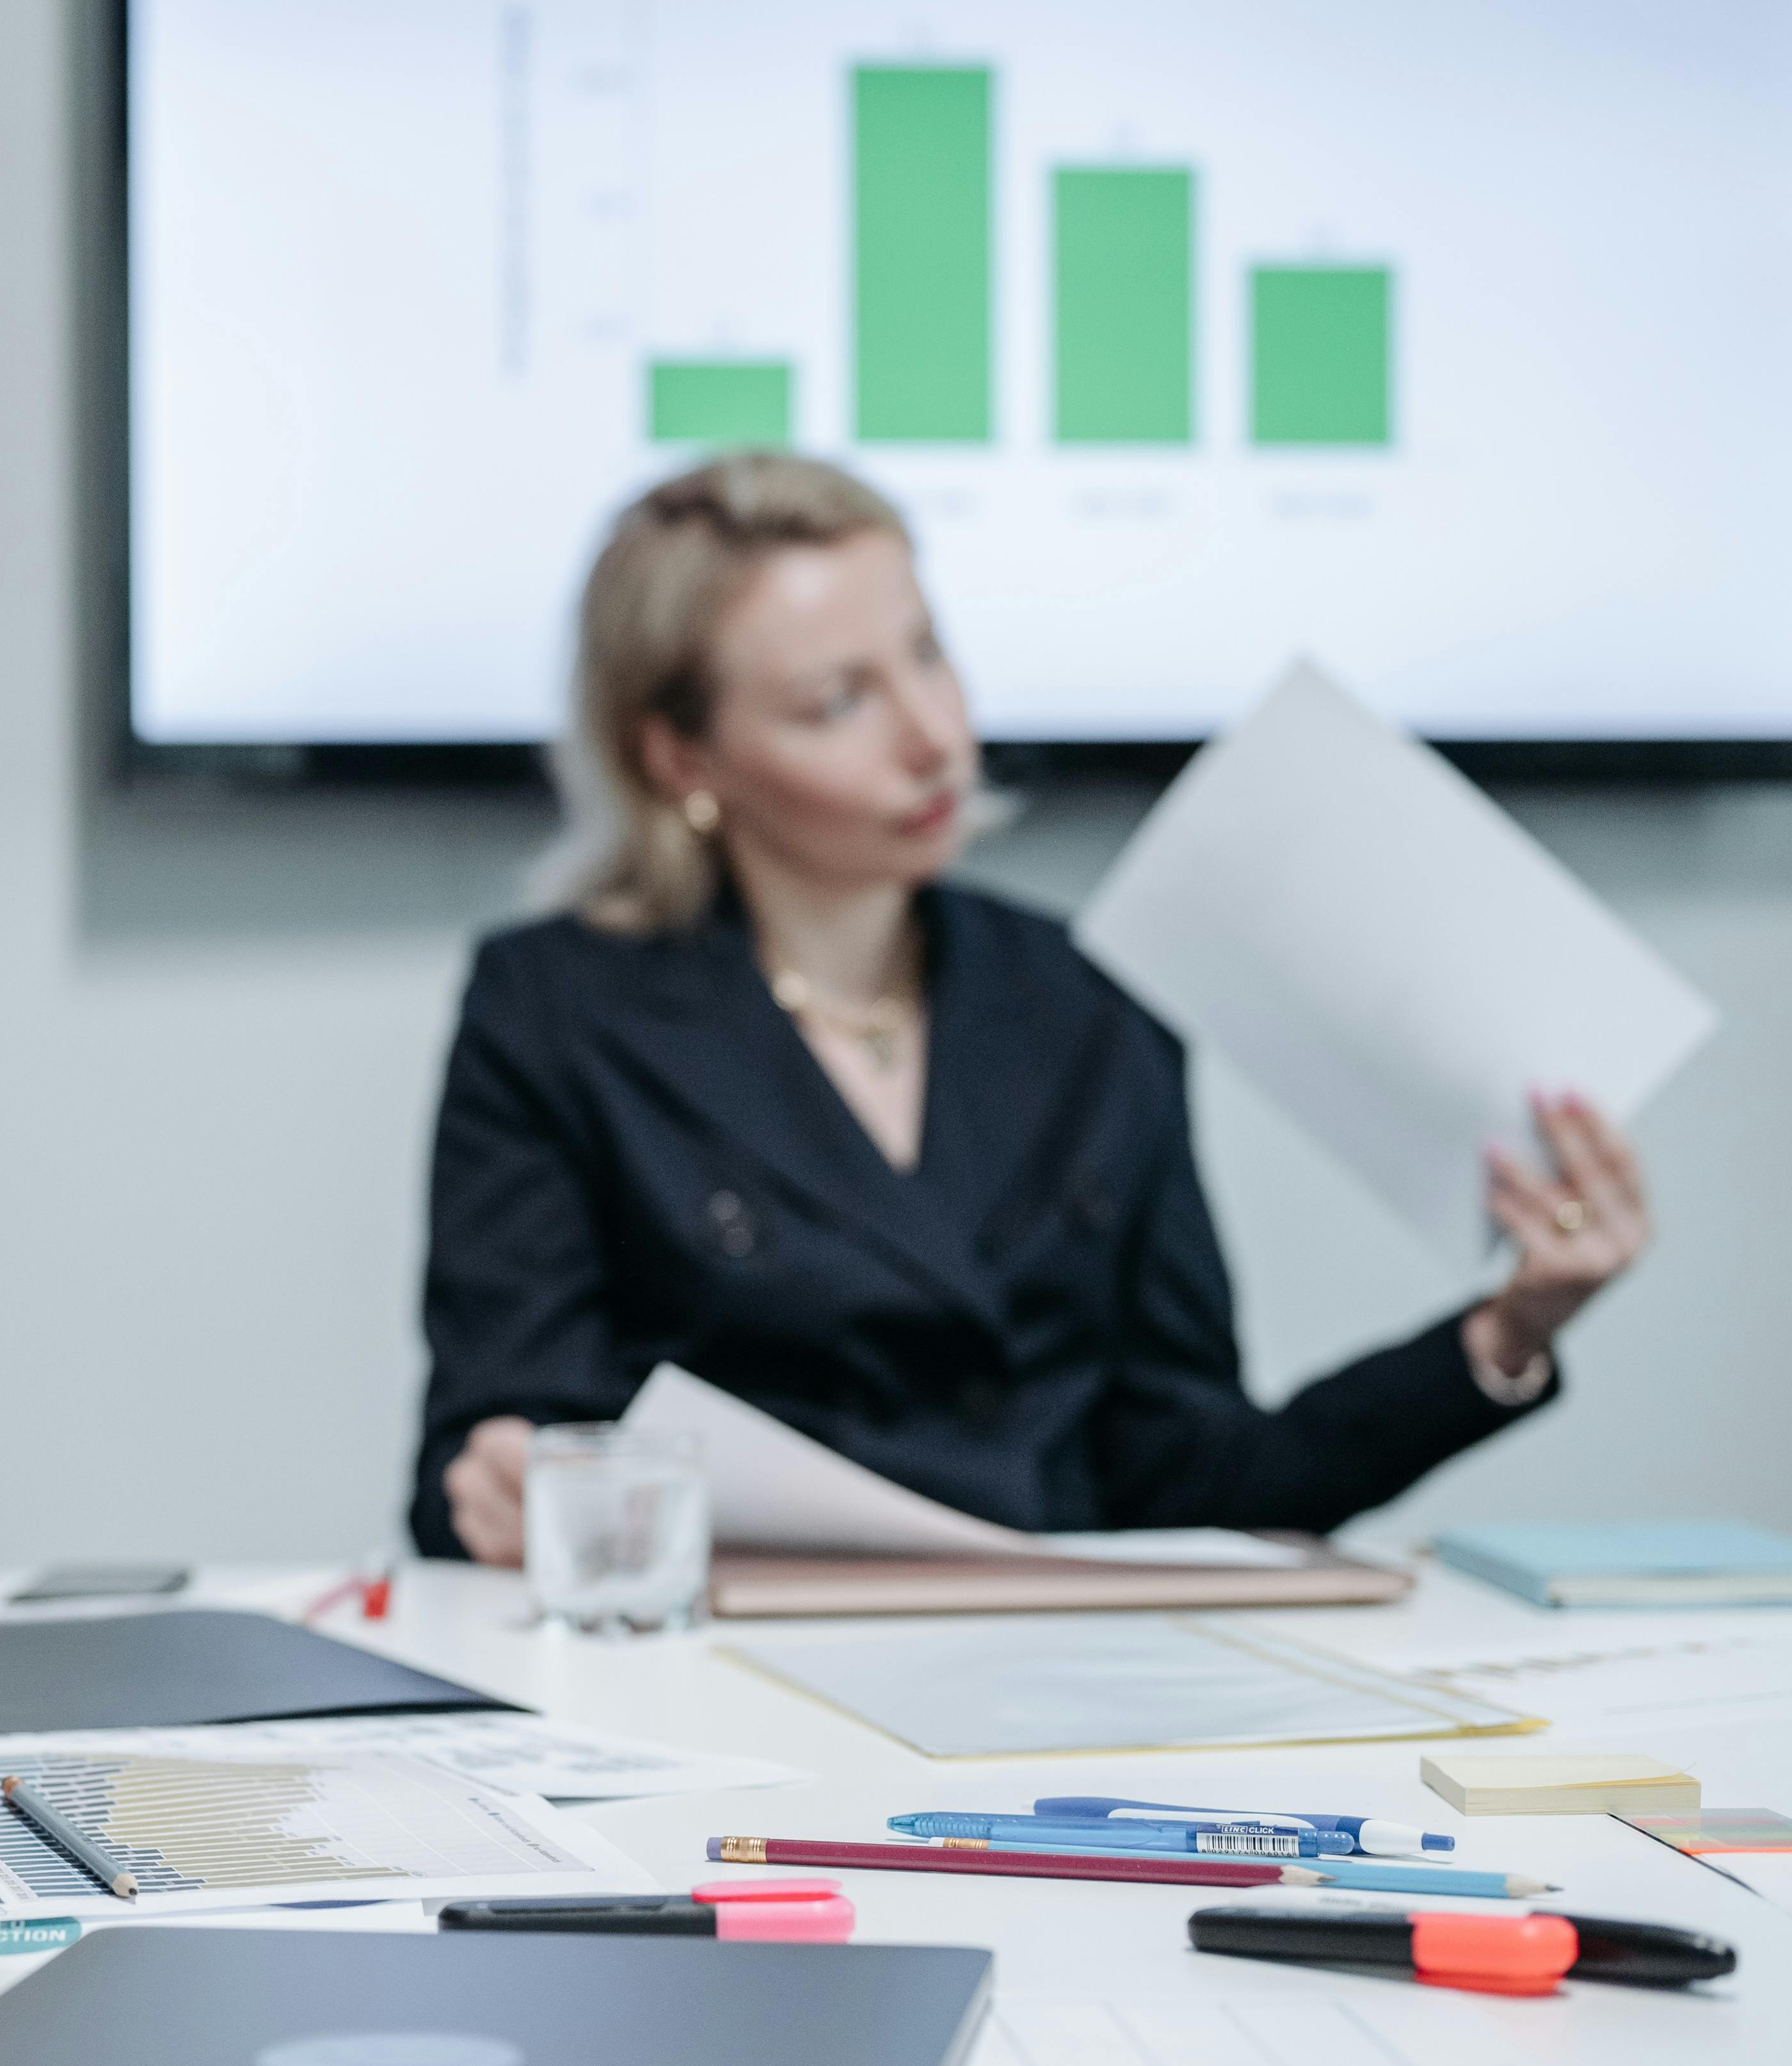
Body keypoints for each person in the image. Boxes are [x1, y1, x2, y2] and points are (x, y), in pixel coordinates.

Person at [415, 453, 1650, 1566]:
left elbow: (1190, 1473)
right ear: (681, 760)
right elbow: (492, 1452)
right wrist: (501, 1483)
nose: (936, 737)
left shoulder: (1092, 1002)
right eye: (836, 701)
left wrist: (1506, 1329)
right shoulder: (556, 1010)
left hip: (1057, 1682)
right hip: (719, 1689)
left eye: (928, 653)